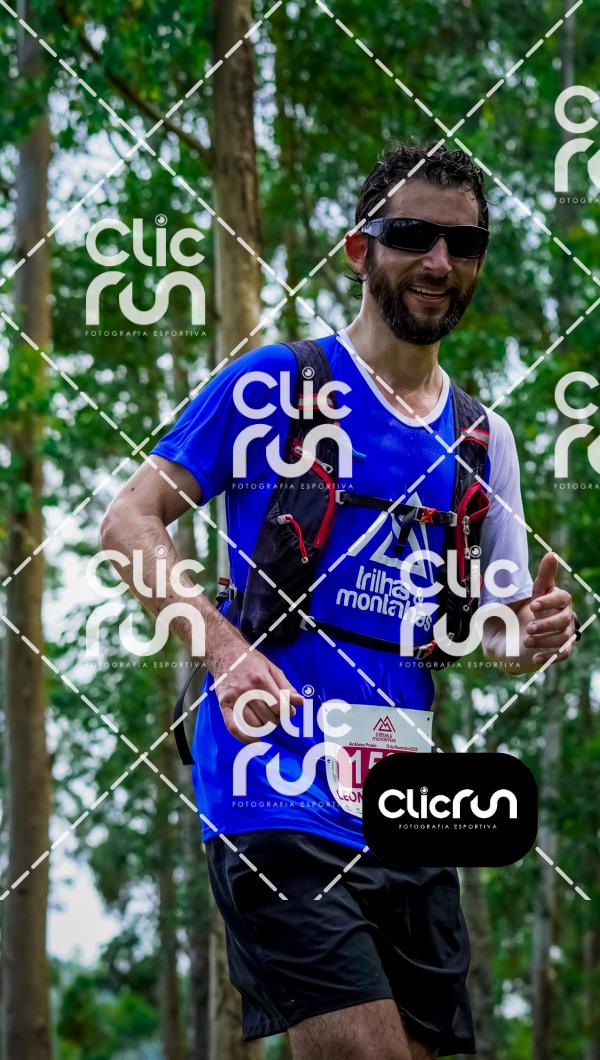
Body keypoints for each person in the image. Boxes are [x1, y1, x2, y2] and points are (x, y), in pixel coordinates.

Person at [100, 143, 577, 1059]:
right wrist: (222, 649)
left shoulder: (485, 439)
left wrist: (521, 633)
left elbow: (492, 631)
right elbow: (128, 521)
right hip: (272, 785)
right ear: (361, 249)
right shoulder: (277, 386)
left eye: (463, 244)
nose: (439, 261)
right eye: (413, 235)